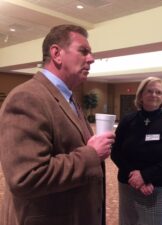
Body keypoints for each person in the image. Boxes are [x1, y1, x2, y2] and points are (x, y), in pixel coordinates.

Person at [0, 24, 115, 225]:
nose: (91, 58)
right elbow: (26, 177)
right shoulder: (27, 97)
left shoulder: (68, 98)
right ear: (56, 54)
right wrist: (91, 154)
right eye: (83, 51)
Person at [111, 76, 162, 225]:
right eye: (149, 91)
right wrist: (136, 177)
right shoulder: (127, 120)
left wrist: (145, 176)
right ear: (141, 95)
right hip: (129, 184)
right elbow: (115, 151)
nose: (154, 95)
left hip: (160, 187)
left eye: (158, 92)